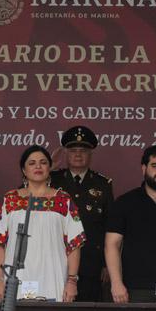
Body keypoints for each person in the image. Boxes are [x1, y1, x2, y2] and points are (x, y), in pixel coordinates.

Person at [0, 145, 84, 302]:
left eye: (43, 162)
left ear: (49, 167)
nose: (38, 166)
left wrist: (72, 282)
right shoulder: (10, 200)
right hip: (17, 279)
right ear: (24, 171)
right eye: (32, 163)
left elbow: (74, 244)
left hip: (53, 277)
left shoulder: (63, 200)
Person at [105, 145, 156, 303]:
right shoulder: (125, 202)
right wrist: (117, 283)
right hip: (134, 289)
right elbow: (112, 244)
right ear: (144, 168)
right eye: (155, 166)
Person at [49, 125, 114, 300]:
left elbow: (109, 226)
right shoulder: (52, 180)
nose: (78, 154)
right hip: (56, 259)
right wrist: (48, 169)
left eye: (83, 150)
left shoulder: (102, 184)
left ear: (91, 153)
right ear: (66, 153)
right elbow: (24, 195)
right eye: (73, 150)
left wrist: (106, 264)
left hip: (91, 262)